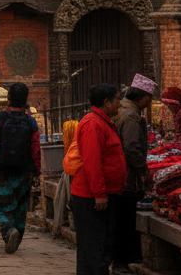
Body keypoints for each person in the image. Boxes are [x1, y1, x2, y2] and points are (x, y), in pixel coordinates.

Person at [71, 84, 127, 275]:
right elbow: (92, 162)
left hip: (103, 193)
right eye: (117, 100)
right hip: (91, 197)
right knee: (93, 247)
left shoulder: (103, 122)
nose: (119, 104)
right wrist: (100, 194)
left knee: (102, 246)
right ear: (106, 102)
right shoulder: (93, 124)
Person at [0, 81, 41, 254]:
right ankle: (16, 235)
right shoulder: (31, 122)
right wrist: (36, 171)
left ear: (8, 98)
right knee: (21, 206)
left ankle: (9, 231)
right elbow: (36, 149)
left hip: (1, 170)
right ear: (26, 99)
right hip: (24, 171)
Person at [113, 83, 152, 272]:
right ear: (140, 97)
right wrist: (143, 169)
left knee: (122, 220)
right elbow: (131, 148)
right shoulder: (130, 116)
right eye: (148, 98)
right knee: (125, 221)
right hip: (127, 177)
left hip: (122, 174)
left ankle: (122, 259)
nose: (150, 102)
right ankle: (122, 260)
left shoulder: (123, 111)